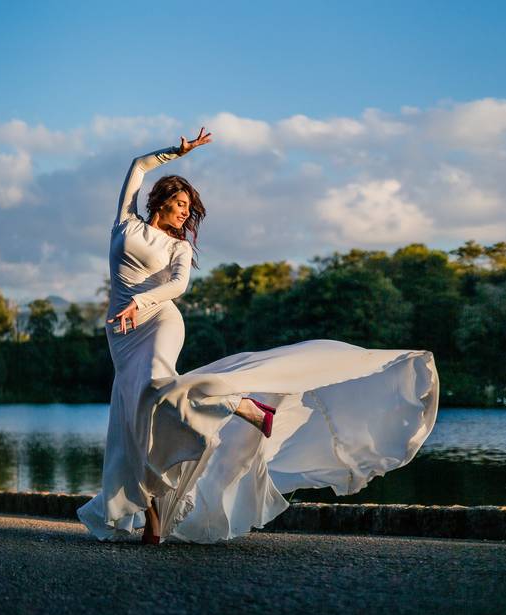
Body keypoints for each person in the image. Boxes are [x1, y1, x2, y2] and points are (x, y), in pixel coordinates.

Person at [77, 130, 439, 544]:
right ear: (161, 200)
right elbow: (137, 167)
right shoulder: (125, 222)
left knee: (157, 393)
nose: (184, 214)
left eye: (189, 210)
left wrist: (140, 303)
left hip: (158, 320)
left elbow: (177, 287)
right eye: (180, 205)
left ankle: (236, 402)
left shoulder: (178, 249)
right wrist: (176, 153)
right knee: (134, 421)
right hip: (121, 334)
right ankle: (156, 517)